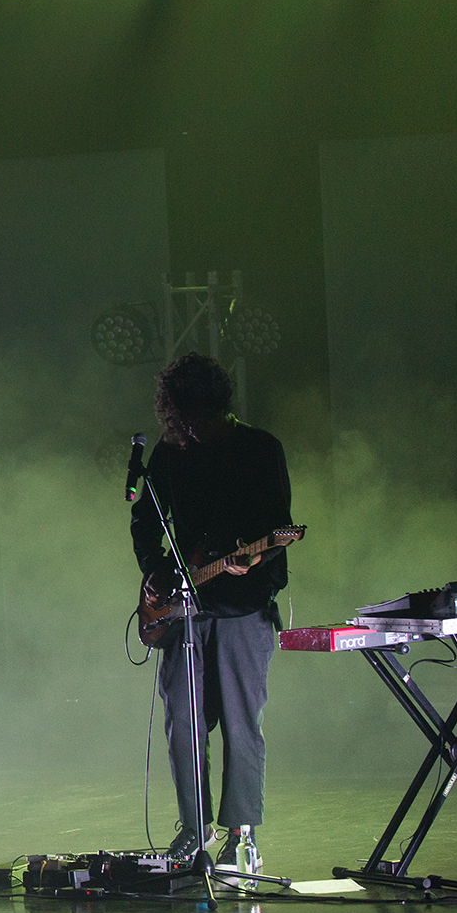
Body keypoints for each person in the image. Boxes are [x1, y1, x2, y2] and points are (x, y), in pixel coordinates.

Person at [130, 352, 290, 868]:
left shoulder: (261, 449)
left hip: (243, 607)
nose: (188, 430)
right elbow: (144, 520)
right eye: (178, 421)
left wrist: (259, 554)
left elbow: (281, 527)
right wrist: (153, 567)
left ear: (216, 407)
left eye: (195, 420)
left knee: (244, 724)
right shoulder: (171, 452)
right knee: (183, 721)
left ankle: (241, 833)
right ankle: (193, 831)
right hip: (183, 609)